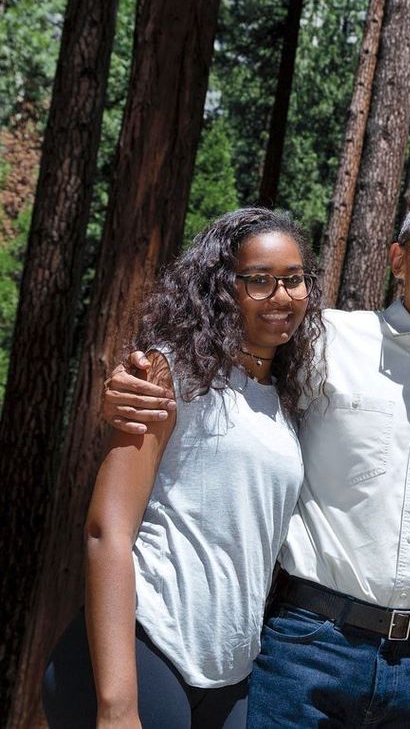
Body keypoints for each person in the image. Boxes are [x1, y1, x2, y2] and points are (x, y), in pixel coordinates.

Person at [100, 192, 410, 727]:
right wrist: (127, 383)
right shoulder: (321, 338)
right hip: (306, 647)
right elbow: (214, 363)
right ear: (397, 258)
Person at [43, 208, 325, 728]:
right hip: (143, 648)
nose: (281, 296)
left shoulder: (285, 400)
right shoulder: (170, 372)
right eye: (258, 281)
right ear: (222, 288)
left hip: (228, 676)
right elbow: (107, 531)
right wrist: (117, 705)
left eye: (293, 279)